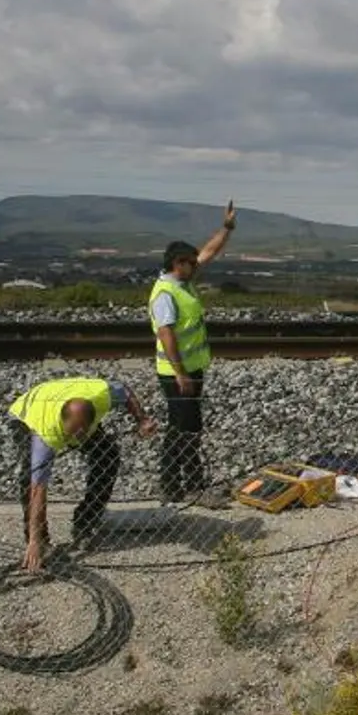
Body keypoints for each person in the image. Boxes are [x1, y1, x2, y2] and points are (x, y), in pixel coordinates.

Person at [7, 376, 157, 572]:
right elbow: (38, 489)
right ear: (64, 423)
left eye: (82, 434)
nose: (77, 440)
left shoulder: (100, 396)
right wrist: (35, 539)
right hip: (26, 413)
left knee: (107, 456)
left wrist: (142, 420)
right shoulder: (47, 432)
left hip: (71, 406)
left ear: (91, 420)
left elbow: (126, 391)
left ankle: (85, 523)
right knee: (29, 478)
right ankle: (38, 541)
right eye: (72, 434)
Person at [148, 201, 236, 508]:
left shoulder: (181, 283)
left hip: (191, 369)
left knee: (189, 428)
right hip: (178, 374)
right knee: (182, 428)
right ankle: (181, 486)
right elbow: (167, 335)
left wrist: (226, 228)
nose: (196, 265)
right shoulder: (165, 294)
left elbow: (208, 253)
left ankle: (183, 485)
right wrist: (181, 373)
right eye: (190, 263)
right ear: (177, 264)